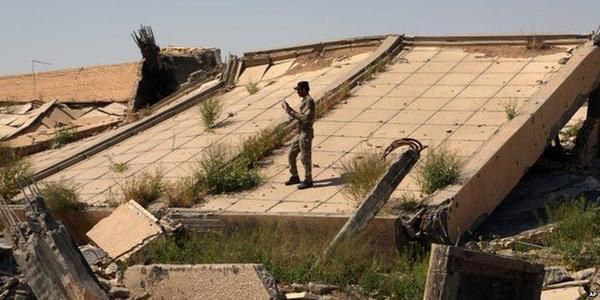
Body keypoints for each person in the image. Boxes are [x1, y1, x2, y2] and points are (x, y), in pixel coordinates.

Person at [281, 81, 315, 189]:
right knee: (291, 153)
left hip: (306, 132)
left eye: (299, 90)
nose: (297, 92)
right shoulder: (304, 101)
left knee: (305, 157)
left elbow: (305, 118)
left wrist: (289, 110)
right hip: (300, 132)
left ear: (304, 90)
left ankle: (308, 180)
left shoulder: (309, 101)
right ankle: (294, 175)